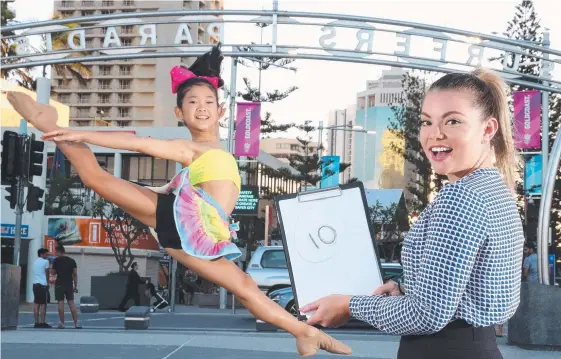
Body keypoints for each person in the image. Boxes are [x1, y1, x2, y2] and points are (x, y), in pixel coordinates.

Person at [5, 44, 350, 357]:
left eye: (208, 102)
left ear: (222, 110)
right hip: (186, 223)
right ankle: (304, 333)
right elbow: (139, 143)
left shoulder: (215, 150)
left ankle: (303, 333)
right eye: (192, 103)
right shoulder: (192, 148)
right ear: (179, 112)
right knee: (244, 286)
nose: (201, 108)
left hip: (193, 222)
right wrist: (81, 133)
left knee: (101, 180)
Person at [299, 69, 525, 359]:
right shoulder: (495, 191)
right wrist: (403, 288)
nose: (435, 134)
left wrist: (350, 305)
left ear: (487, 130)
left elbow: (427, 314)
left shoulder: (462, 197)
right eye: (426, 121)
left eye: (453, 121)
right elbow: (463, 287)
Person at [52, 244, 81, 329]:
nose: (55, 253)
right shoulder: (72, 261)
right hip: (69, 284)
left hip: (59, 284)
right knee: (71, 303)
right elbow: (75, 274)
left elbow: (53, 273)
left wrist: (54, 269)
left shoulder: (56, 261)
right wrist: (75, 286)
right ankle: (76, 324)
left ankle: (62, 323)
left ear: (58, 251)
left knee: (60, 303)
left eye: (55, 252)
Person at [32, 248, 52, 328]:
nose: (47, 255)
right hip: (42, 284)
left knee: (36, 304)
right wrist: (47, 283)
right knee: (43, 304)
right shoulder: (46, 262)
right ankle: (42, 322)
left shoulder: (35, 262)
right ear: (41, 254)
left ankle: (36, 323)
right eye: (46, 254)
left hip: (35, 284)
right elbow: (47, 273)